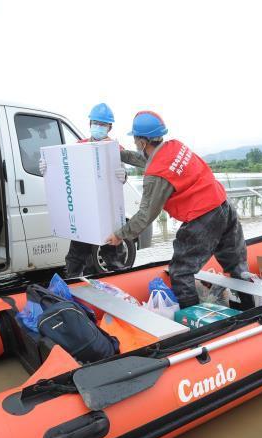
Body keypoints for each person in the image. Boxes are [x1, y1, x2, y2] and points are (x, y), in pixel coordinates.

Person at [105, 111, 249, 308]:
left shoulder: (156, 174)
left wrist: (120, 234)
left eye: (136, 141)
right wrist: (117, 152)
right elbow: (147, 161)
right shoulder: (175, 147)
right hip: (224, 206)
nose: (135, 145)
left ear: (142, 142)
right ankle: (249, 308)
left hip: (203, 217)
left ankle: (193, 323)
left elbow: (146, 214)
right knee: (236, 265)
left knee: (181, 272)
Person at [39, 102, 146, 276]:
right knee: (75, 256)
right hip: (83, 212)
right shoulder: (78, 146)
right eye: (96, 123)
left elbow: (122, 173)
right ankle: (72, 289)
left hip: (106, 213)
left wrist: (123, 175)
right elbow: (65, 169)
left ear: (109, 127)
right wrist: (47, 168)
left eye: (103, 124)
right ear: (90, 124)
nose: (98, 127)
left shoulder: (114, 148)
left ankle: (117, 290)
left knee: (112, 255)